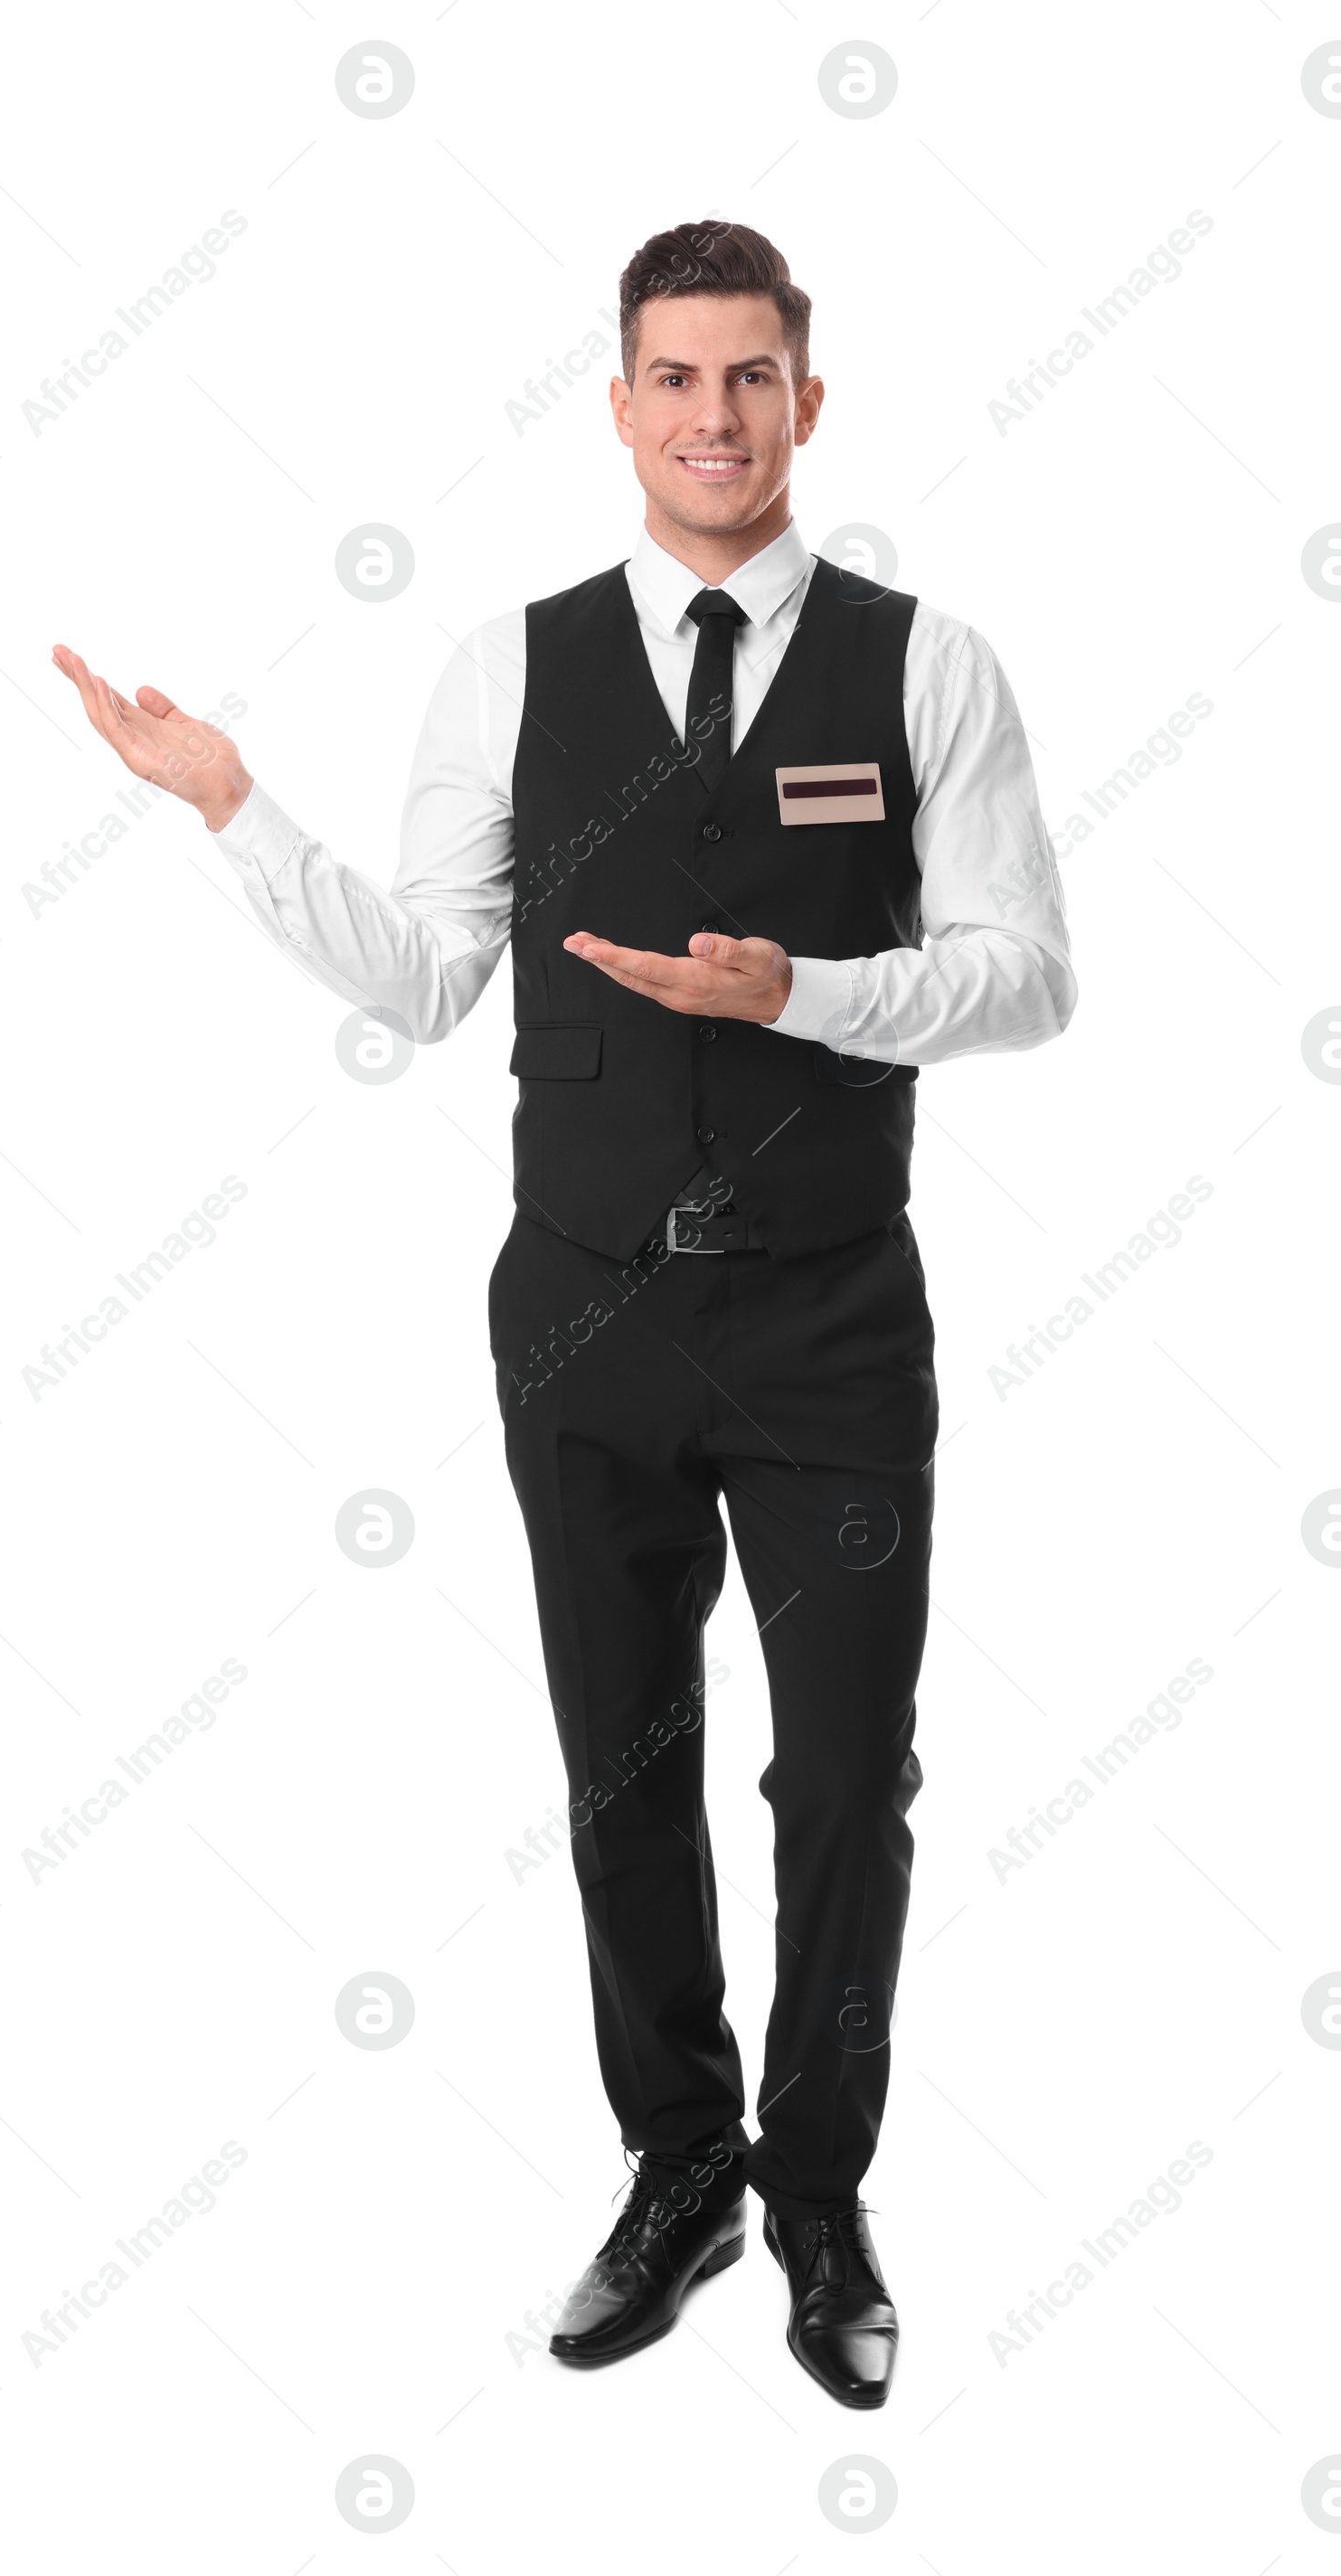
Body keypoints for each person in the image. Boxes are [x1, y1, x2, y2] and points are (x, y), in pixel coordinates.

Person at [52, 219, 1075, 2409]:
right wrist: (235, 812)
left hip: (829, 1325)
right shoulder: (510, 670)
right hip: (586, 1318)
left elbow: (1026, 975)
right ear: (615, 406)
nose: (713, 418)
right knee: (622, 1771)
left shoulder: (925, 665)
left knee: (843, 1783)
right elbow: (426, 979)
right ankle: (677, 2166)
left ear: (812, 399)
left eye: (750, 378)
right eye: (671, 380)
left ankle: (816, 2193)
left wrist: (800, 991)